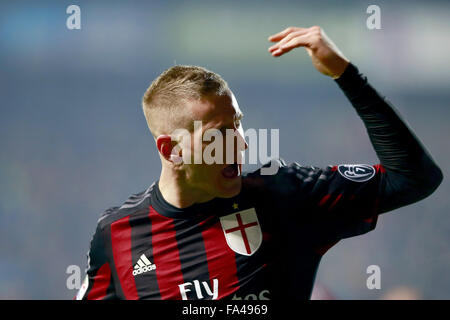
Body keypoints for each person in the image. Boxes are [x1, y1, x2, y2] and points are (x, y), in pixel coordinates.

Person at [75, 26, 442, 300]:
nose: (242, 144)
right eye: (220, 135)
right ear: (171, 150)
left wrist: (346, 75)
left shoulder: (284, 194)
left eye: (239, 125)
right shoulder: (116, 233)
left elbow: (414, 178)